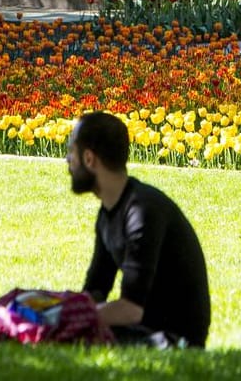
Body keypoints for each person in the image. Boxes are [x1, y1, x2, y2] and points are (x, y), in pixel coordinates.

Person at [69, 111, 211, 348]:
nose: (67, 161)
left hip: (172, 338)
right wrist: (53, 307)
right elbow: (95, 290)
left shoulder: (142, 211)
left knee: (74, 336)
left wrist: (68, 320)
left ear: (89, 158)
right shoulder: (108, 213)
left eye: (71, 152)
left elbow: (131, 309)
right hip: (144, 327)